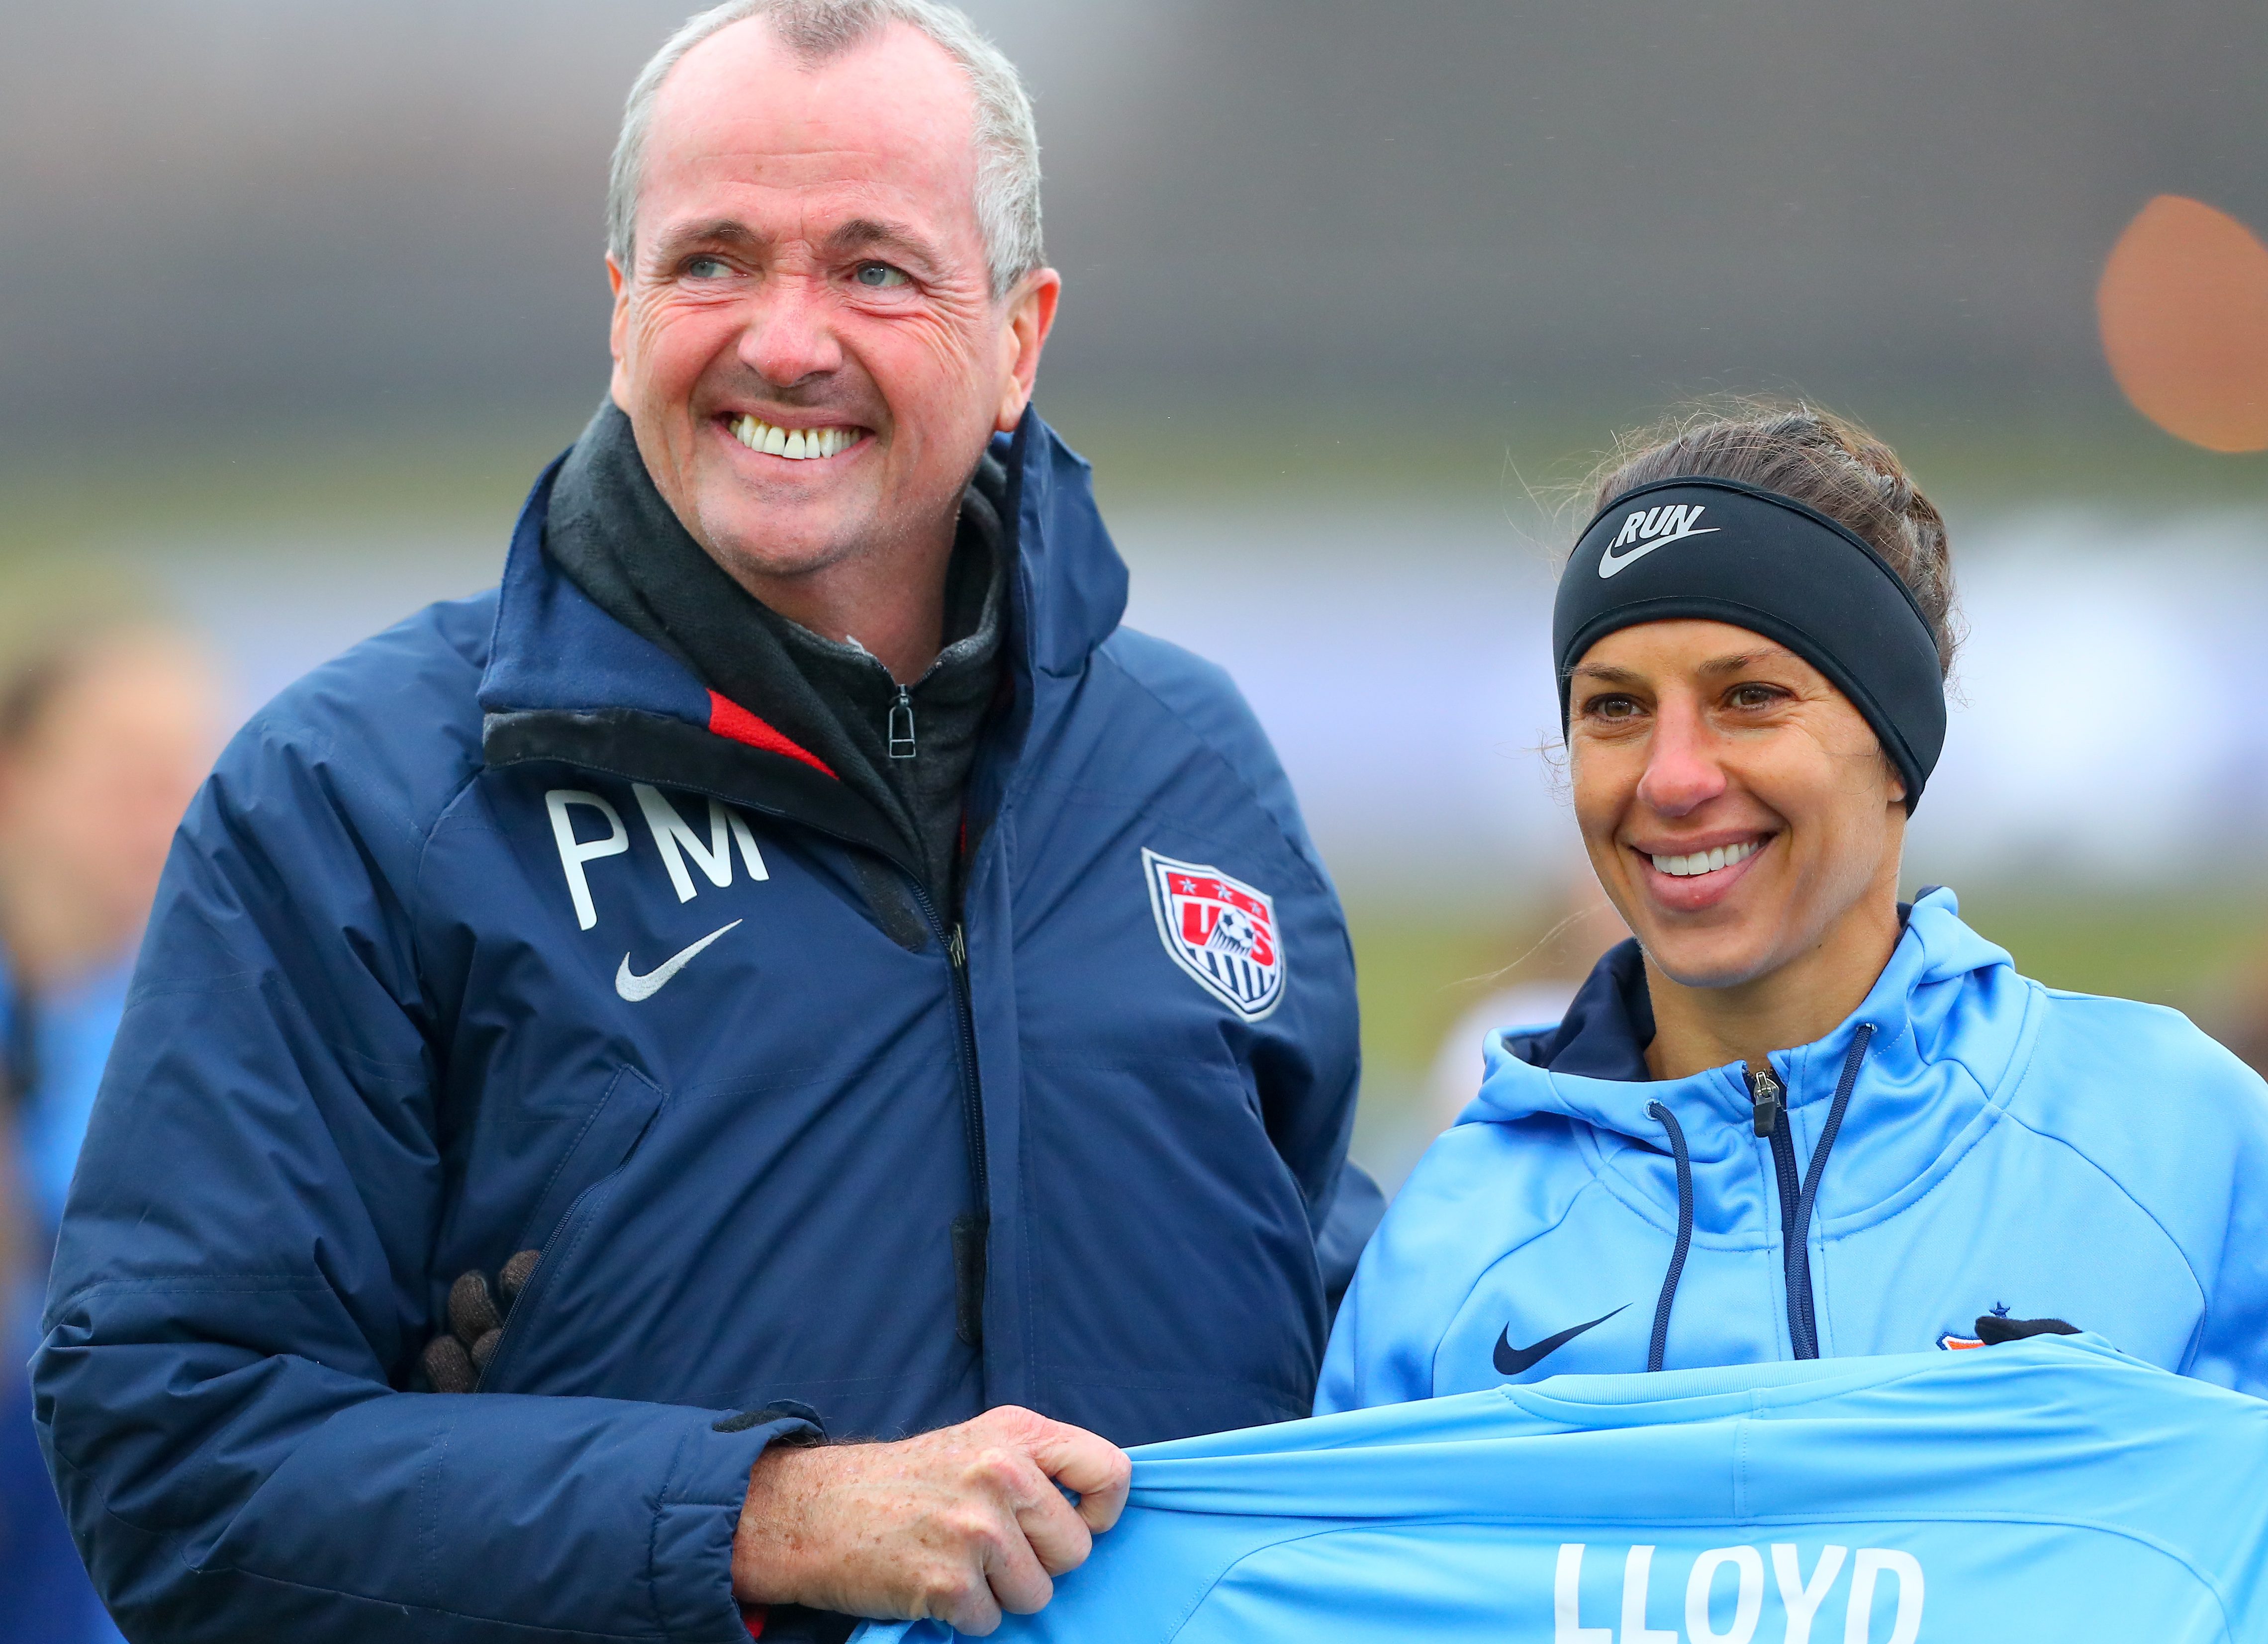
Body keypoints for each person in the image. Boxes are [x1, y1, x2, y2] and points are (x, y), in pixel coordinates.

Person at [36, 4, 1370, 1641]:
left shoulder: (1190, 763)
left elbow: (1331, 1328)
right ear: (621, 311)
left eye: (874, 267)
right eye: (714, 261)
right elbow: (175, 1459)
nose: (786, 340)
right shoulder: (352, 798)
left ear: (1021, 337)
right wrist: (758, 1513)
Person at [1320, 403, 2268, 1412]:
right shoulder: (1451, 1241)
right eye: (1616, 708)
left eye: (1751, 698)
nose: (1673, 778)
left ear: (1897, 743)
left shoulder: (2184, 1144)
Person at [0, 599, 221, 1644]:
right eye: (128, 774)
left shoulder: (238, 1033)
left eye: (189, 770)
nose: (169, 811)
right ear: (14, 785)